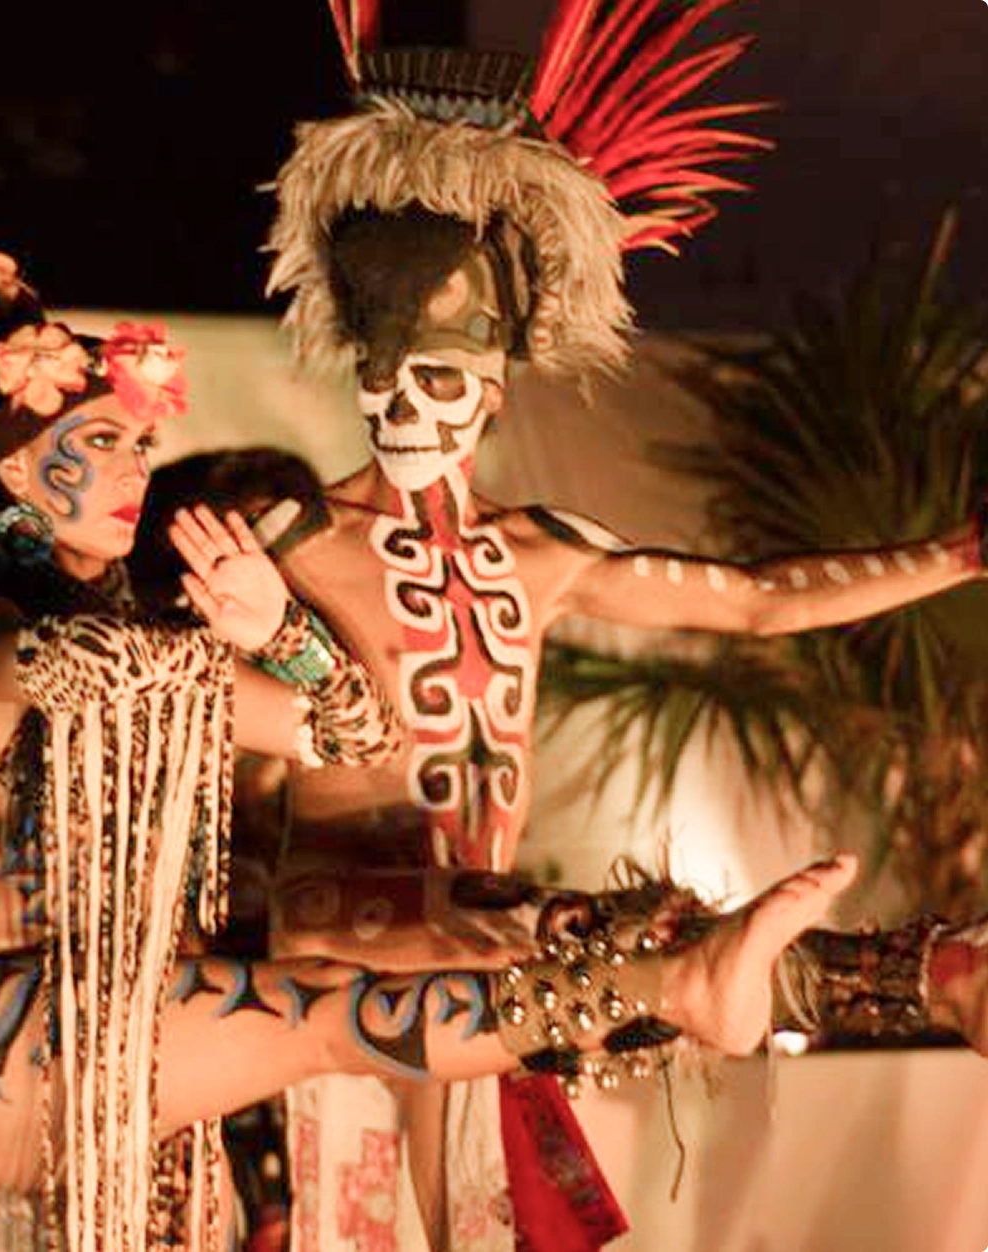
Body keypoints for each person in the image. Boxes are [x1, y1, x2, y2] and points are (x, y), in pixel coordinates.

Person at [142, 9, 988, 1250]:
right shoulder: (289, 536)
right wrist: (259, 631)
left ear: (492, 382)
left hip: (486, 937)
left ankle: (871, 970)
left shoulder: (540, 553)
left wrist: (963, 552)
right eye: (380, 379)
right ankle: (886, 972)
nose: (401, 406)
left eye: (434, 380)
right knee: (575, 943)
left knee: (531, 1050)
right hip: (348, 928)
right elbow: (164, 698)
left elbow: (756, 597)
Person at [0, 254, 857, 1252]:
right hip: (7, 1014)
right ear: (16, 467)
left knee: (345, 991)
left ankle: (673, 987)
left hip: (141, 1028)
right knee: (337, 1010)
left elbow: (355, 732)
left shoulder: (166, 659)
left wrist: (286, 632)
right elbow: (79, 663)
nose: (133, 468)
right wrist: (222, 641)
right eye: (100, 438)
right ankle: (666, 989)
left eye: (142, 441)